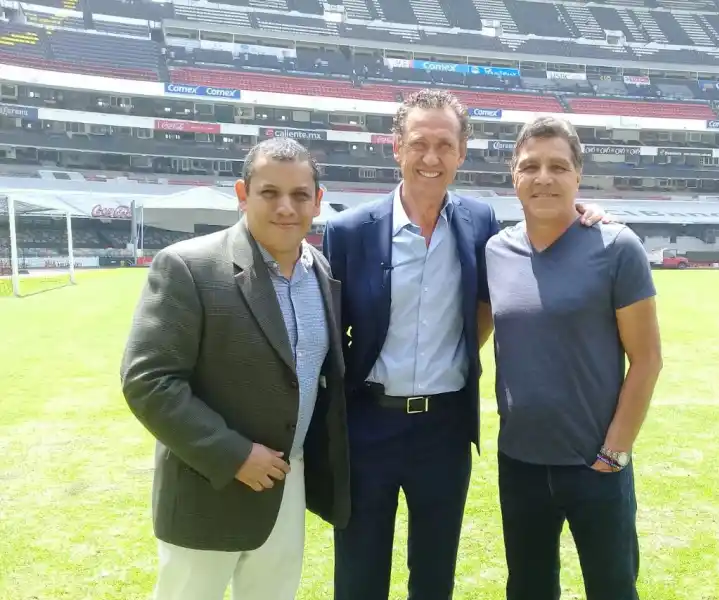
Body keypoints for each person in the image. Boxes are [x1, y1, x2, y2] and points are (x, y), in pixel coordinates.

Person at [322, 89, 609, 600]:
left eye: (444, 144)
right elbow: (329, 333)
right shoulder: (349, 232)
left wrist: (585, 211)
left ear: (462, 151)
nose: (430, 158)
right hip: (368, 426)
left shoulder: (480, 223)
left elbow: (496, 290)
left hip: (444, 430)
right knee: (359, 577)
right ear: (396, 147)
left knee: (434, 578)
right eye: (418, 143)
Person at [120, 138, 350, 600]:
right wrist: (234, 454)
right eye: (269, 193)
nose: (286, 207)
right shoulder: (188, 265)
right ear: (243, 194)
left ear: (318, 202)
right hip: (210, 487)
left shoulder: (321, 272)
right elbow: (149, 382)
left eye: (300, 195)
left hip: (288, 482)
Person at [485, 116, 663, 600]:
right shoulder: (495, 252)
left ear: (577, 175)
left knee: (611, 588)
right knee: (528, 588)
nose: (544, 177)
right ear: (514, 176)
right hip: (519, 462)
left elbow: (646, 360)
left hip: (595, 463)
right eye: (531, 166)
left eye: (558, 166)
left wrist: (614, 453)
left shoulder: (617, 247)